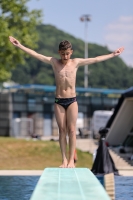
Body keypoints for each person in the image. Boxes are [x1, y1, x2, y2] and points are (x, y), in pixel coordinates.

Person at [9, 36, 124, 168]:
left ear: (72, 52)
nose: (65, 56)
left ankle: (71, 161)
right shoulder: (54, 62)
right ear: (59, 52)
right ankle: (64, 160)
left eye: (68, 54)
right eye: (63, 54)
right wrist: (19, 45)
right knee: (62, 130)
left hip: (72, 100)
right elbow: (36, 54)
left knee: (72, 130)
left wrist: (113, 54)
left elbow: (95, 59)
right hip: (59, 101)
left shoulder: (76, 62)